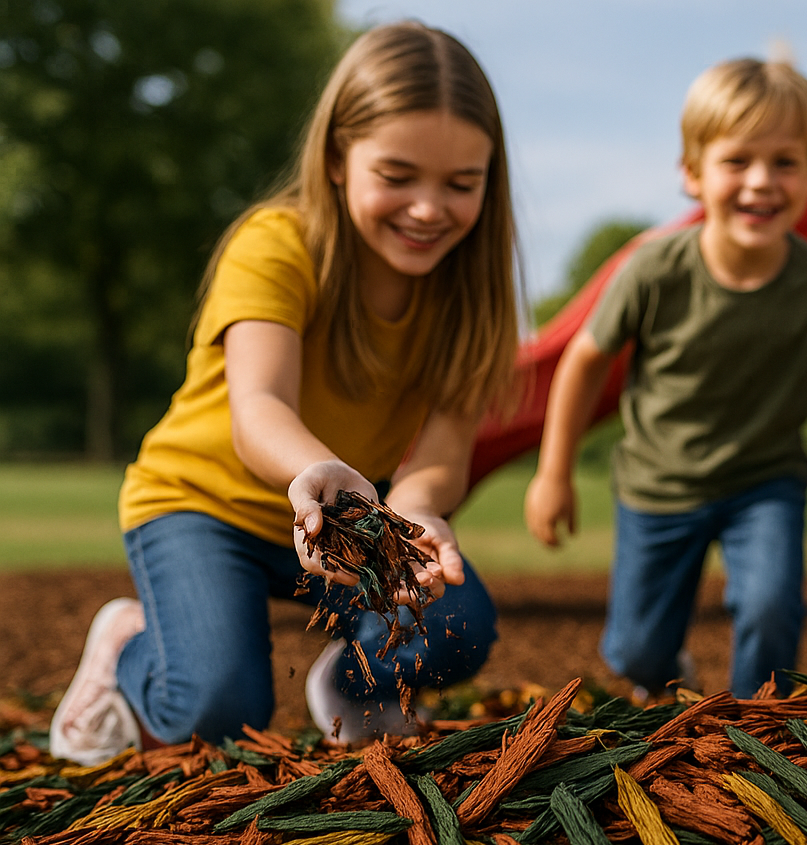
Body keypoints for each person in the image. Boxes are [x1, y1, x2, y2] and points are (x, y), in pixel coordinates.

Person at [49, 23, 517, 765]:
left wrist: (417, 506)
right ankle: (129, 651)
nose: (429, 208)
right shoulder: (277, 244)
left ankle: (353, 686)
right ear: (337, 158)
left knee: (459, 619)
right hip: (204, 506)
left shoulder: (473, 297)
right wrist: (315, 475)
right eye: (398, 176)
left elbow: (443, 451)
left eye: (461, 184)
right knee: (219, 712)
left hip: (343, 515)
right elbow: (259, 406)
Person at [525, 58, 807, 700]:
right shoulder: (654, 270)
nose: (762, 181)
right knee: (637, 652)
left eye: (785, 162)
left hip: (765, 485)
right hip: (658, 483)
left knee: (772, 608)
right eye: (737, 161)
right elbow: (583, 360)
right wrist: (553, 474)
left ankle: (756, 728)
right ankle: (662, 672)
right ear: (692, 173)